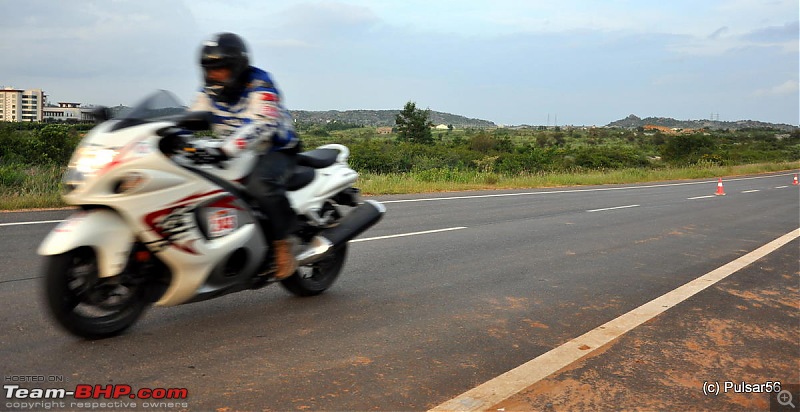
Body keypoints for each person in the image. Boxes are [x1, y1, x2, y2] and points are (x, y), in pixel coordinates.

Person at [189, 32, 300, 280]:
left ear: (237, 66)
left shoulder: (260, 84)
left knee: (261, 186)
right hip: (238, 152)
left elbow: (263, 124)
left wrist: (226, 149)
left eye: (221, 68)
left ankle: (284, 244)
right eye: (209, 69)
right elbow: (193, 117)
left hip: (275, 148)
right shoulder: (208, 92)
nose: (214, 74)